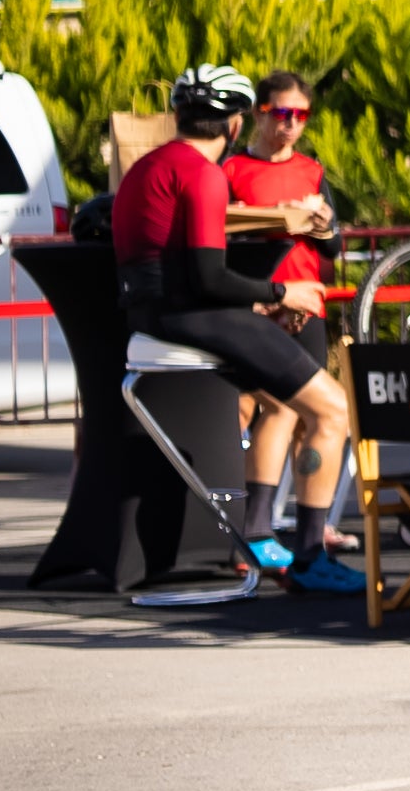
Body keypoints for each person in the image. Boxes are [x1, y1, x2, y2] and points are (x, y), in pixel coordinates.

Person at [111, 64, 363, 594]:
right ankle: (312, 556)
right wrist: (280, 294)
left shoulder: (148, 166)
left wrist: (259, 308)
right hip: (194, 318)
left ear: (180, 114)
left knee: (276, 405)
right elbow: (206, 275)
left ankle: (258, 536)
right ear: (234, 124)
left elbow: (179, 273)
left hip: (159, 314)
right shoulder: (202, 173)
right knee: (333, 408)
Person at [219, 68, 354, 575]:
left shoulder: (312, 171)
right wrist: (261, 300)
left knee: (303, 417)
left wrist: (321, 226)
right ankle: (251, 530)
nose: (291, 125)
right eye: (282, 114)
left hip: (307, 305)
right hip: (257, 304)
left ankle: (302, 534)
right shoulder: (232, 171)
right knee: (253, 411)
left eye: (301, 116)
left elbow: (335, 245)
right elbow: (220, 246)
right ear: (259, 112)